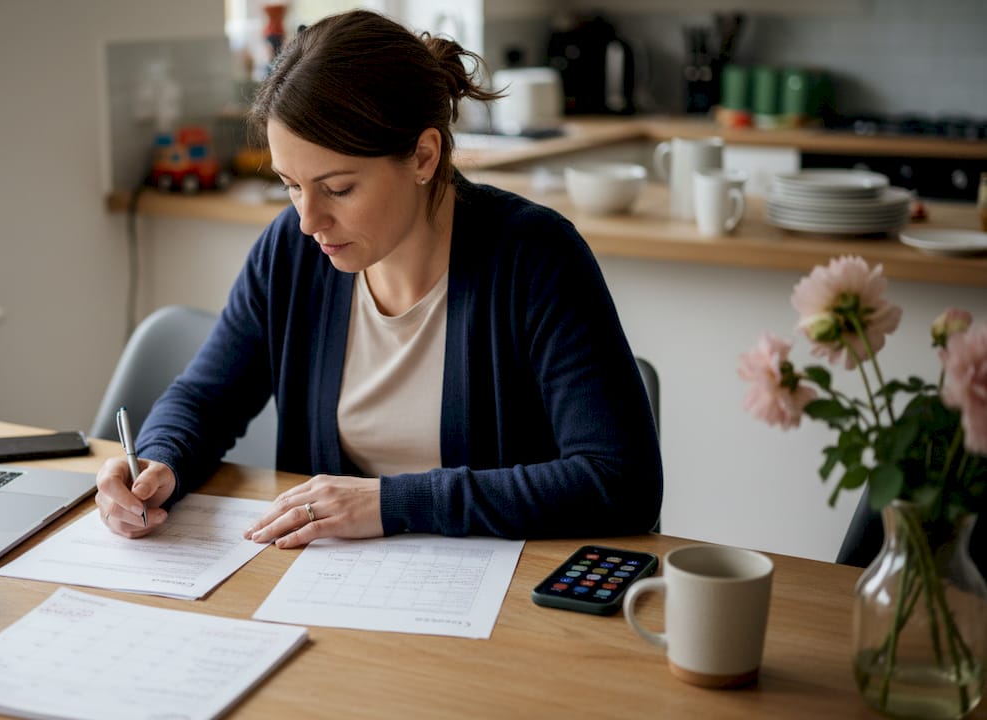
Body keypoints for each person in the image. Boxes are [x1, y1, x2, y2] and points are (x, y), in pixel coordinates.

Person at [96, 9, 662, 548]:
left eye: (338, 188)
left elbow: (620, 481)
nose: (308, 220)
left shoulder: (536, 258)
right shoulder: (290, 254)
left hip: (505, 607)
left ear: (422, 156)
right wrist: (159, 461)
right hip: (334, 594)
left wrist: (392, 504)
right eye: (292, 184)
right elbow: (205, 398)